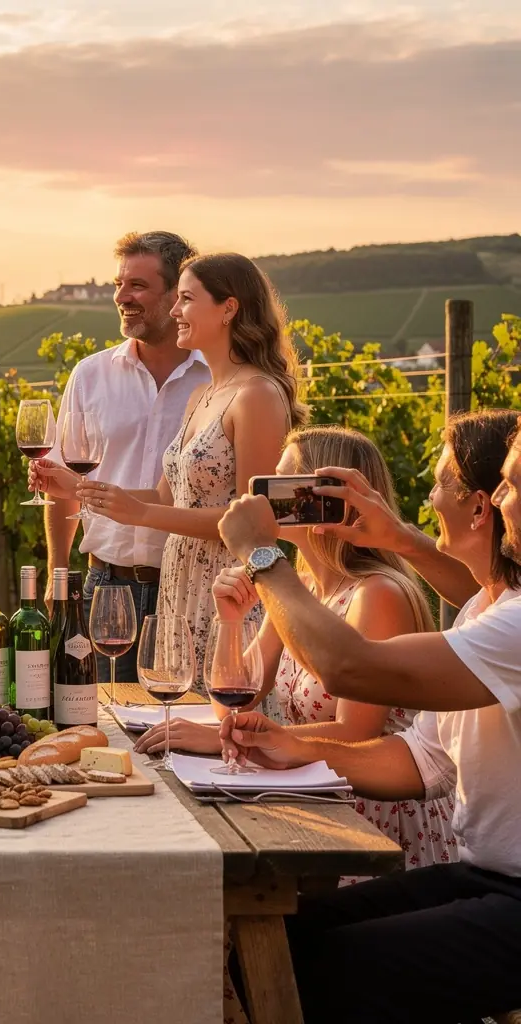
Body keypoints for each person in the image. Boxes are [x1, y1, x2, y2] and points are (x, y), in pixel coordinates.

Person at [216, 409, 521, 1023]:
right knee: (268, 939)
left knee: (310, 969)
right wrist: (301, 748)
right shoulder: (487, 611)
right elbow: (422, 761)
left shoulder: (512, 625)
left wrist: (262, 553)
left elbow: (349, 667)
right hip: (482, 875)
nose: (501, 498)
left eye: (512, 486)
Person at [137, 424, 456, 865]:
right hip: (315, 795)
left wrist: (222, 740)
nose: (263, 494)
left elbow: (356, 733)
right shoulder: (302, 587)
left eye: (282, 481)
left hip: (371, 816)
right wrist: (231, 620)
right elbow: (232, 701)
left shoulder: (377, 594)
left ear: (323, 500)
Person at [37, 252, 307, 692]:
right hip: (180, 588)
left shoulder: (257, 395)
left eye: (186, 299)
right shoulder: (203, 394)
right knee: (168, 722)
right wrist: (78, 487)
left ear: (228, 308)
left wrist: (140, 515)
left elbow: (255, 524)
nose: (176, 311)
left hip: (224, 592)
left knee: (217, 718)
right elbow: (165, 498)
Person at [28, 230, 210, 683]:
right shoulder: (91, 375)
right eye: (119, 284)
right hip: (106, 589)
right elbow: (62, 486)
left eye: (138, 286)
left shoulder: (216, 379)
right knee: (101, 714)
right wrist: (57, 573)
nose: (121, 297)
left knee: (182, 717)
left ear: (177, 295)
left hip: (190, 589)